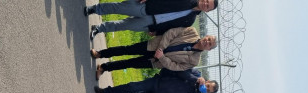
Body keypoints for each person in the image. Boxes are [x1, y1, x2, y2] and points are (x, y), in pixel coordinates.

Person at [91, 28, 216, 78]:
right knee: (126, 49)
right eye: (208, 39)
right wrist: (161, 48)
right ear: (206, 36)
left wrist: (161, 57)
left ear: (209, 49)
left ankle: (104, 68)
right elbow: (171, 33)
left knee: (129, 63)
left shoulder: (194, 60)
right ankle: (100, 54)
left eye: (209, 44)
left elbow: (176, 67)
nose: (207, 42)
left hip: (155, 62)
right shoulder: (192, 32)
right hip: (153, 46)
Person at [85, 0, 219, 40]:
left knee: (123, 25)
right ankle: (94, 9)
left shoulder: (190, 20)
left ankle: (99, 28)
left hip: (151, 24)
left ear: (207, 11)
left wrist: (157, 32)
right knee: (119, 7)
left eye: (208, 6)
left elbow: (171, 29)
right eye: (207, 1)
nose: (205, 4)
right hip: (148, 6)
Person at [95, 68, 218, 93]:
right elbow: (180, 72)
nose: (206, 88)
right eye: (208, 86)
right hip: (158, 83)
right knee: (132, 87)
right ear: (207, 81)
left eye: (208, 90)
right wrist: (196, 79)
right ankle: (105, 91)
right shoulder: (196, 75)